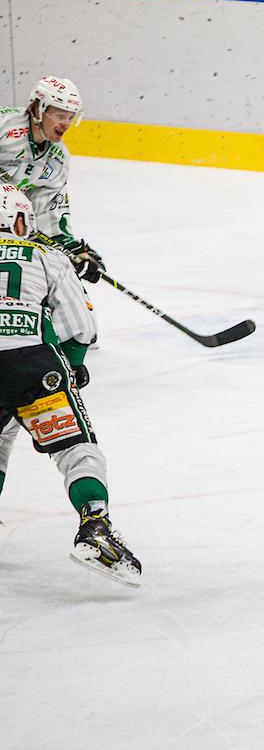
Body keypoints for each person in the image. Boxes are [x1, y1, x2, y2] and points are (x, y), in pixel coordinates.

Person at [0, 184, 141, 587]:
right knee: (77, 451)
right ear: (19, 220)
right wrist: (74, 369)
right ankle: (95, 528)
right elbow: (80, 328)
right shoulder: (46, 257)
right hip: (33, 365)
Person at [0, 76, 106, 284]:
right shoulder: (4, 126)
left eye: (70, 117)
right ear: (39, 109)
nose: (65, 124)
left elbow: (49, 209)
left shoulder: (57, 159)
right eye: (60, 115)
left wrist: (70, 250)